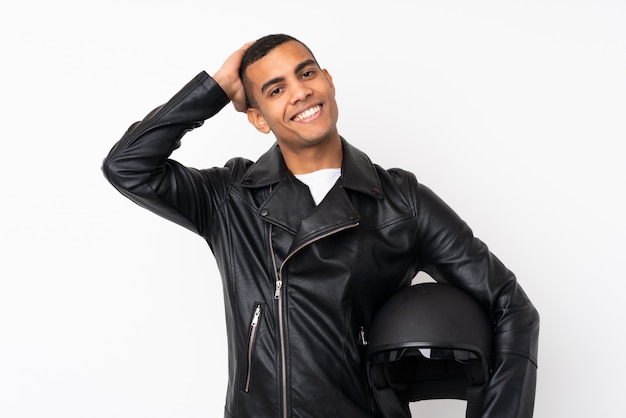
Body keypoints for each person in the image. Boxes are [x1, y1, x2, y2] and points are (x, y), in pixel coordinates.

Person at [102, 34, 539, 418]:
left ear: (328, 80)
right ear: (258, 118)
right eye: (276, 89)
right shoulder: (229, 198)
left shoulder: (401, 202)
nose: (300, 92)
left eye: (306, 73)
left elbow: (513, 307)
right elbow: (127, 166)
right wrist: (215, 88)